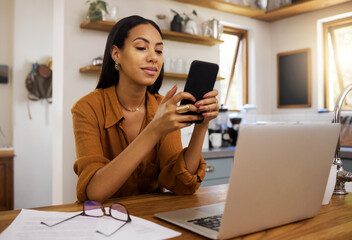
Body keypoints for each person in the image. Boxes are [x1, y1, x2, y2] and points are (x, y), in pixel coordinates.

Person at [71, 15, 219, 203]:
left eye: (159, 51)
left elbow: (183, 185)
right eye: (141, 48)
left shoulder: (162, 106)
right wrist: (155, 129)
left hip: (152, 219)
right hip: (102, 221)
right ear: (116, 54)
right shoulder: (87, 108)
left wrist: (202, 125)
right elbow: (94, 192)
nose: (153, 58)